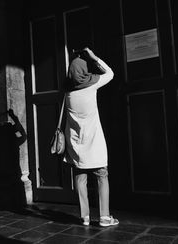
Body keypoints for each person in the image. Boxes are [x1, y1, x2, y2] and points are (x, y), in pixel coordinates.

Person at [64, 47, 119, 227]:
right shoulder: (92, 85)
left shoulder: (68, 93)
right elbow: (110, 73)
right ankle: (104, 217)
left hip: (76, 143)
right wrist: (95, 57)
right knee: (102, 175)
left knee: (80, 177)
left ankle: (84, 216)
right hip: (94, 142)